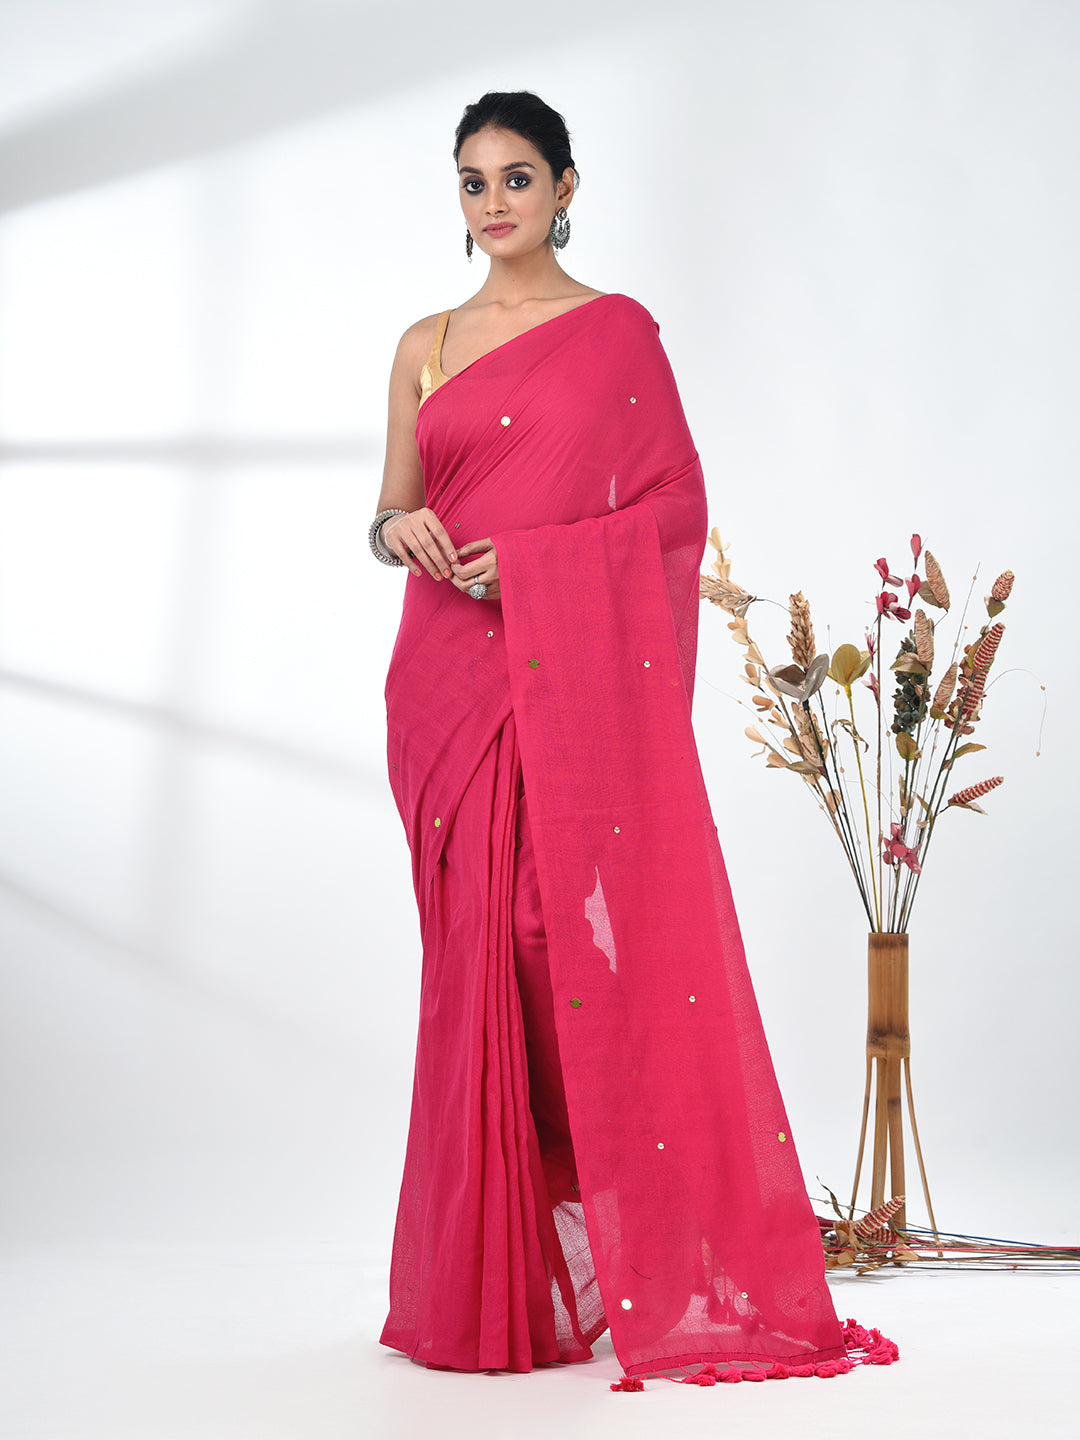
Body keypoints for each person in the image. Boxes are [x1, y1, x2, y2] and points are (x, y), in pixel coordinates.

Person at [371, 91, 869, 1381]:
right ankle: (496, 1279)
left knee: (552, 939)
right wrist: (397, 531)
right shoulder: (425, 343)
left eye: (517, 178)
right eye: (473, 181)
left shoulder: (616, 334)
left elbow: (673, 505)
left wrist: (535, 565)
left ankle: (647, 1217)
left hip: (558, 669)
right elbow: (390, 509)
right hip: (446, 686)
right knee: (478, 957)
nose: (494, 203)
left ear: (566, 188)